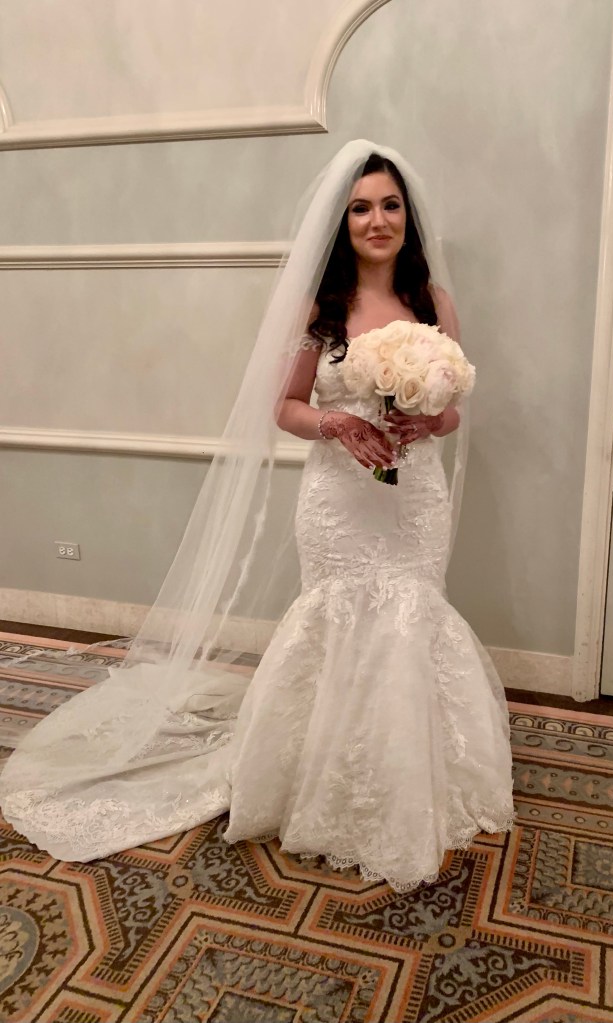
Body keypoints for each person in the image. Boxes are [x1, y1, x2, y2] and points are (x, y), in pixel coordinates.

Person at [0, 142, 514, 893]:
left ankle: (411, 774)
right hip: (339, 500)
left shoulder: (433, 302)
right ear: (342, 222)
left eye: (390, 205)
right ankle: (321, 774)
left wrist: (427, 421)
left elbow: (454, 410)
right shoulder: (322, 307)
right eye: (361, 208)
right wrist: (339, 424)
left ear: (408, 216)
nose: (377, 220)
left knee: (412, 616)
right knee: (337, 620)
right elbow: (285, 407)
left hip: (414, 498)